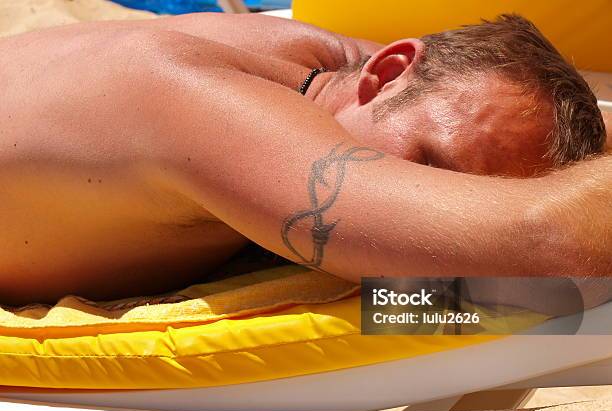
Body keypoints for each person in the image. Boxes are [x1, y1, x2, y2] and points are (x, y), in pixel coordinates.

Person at [0, 12, 608, 305]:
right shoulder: (188, 97)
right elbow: (547, 241)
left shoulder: (341, 72)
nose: (435, 203)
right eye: (426, 166)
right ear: (388, 72)